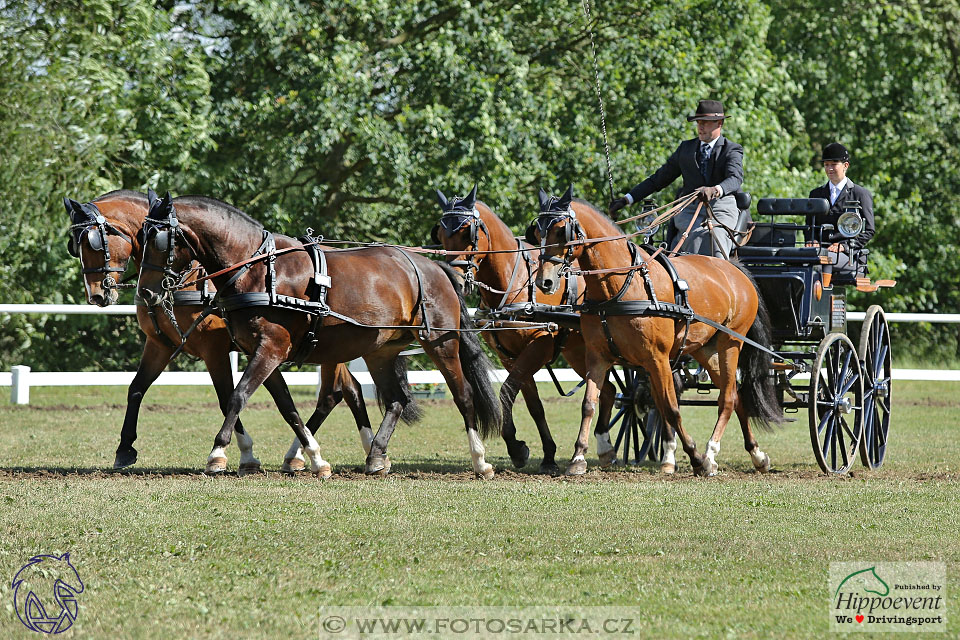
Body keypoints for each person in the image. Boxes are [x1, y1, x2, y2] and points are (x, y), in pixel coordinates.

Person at [609, 99, 743, 258]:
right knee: (691, 237)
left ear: (719, 123)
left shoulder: (731, 149)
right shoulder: (686, 149)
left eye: (706, 123)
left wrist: (715, 190)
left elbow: (735, 178)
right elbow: (658, 179)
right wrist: (626, 199)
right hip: (690, 208)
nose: (700, 127)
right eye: (698, 122)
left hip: (721, 208)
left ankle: (720, 276)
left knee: (713, 236)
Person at [806, 142, 875, 281]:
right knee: (798, 258)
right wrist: (811, 240)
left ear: (845, 166)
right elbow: (809, 225)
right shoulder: (816, 194)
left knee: (820, 261)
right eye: (826, 165)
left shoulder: (860, 194)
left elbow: (869, 230)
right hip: (819, 250)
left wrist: (844, 246)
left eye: (833, 164)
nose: (829, 169)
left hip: (849, 255)